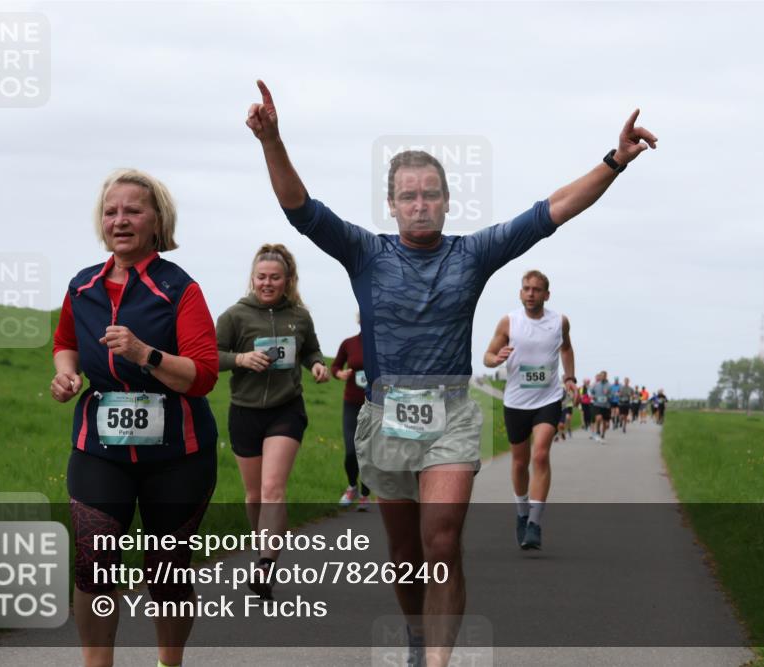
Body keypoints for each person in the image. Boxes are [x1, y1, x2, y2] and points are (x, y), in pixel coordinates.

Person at [245, 79, 656, 666]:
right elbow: (300, 209)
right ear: (392, 204)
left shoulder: (472, 253)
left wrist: (614, 161)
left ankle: (437, 660)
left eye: (431, 194)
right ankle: (417, 640)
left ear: (447, 202)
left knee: (440, 542)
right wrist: (272, 141)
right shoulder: (365, 253)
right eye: (408, 196)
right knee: (406, 556)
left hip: (451, 417)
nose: (420, 204)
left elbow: (553, 210)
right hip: (385, 417)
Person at [51, 168, 219, 667]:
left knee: (167, 570)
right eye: (111, 211)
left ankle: (169, 662)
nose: (119, 220)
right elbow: (64, 343)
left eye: (133, 211)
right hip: (100, 448)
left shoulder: (180, 289)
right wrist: (66, 375)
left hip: (178, 454)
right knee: (94, 560)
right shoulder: (82, 286)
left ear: (157, 221)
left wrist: (146, 354)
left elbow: (204, 375)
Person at [215, 243, 330, 599]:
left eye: (275, 278)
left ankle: (266, 564)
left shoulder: (299, 316)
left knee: (272, 489)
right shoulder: (234, 316)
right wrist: (241, 360)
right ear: (252, 278)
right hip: (244, 411)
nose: (267, 283)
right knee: (254, 495)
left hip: (286, 409)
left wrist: (317, 364)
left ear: (288, 280)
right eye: (261, 277)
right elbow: (210, 356)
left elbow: (311, 349)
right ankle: (261, 546)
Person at [483, 270, 575, 550]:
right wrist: (495, 359)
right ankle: (522, 513)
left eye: (536, 289)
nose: (531, 293)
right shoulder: (509, 322)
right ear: (520, 293)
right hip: (516, 402)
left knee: (541, 454)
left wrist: (569, 378)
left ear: (547, 294)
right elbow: (487, 356)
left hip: (548, 398)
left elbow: (566, 349)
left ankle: (534, 523)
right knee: (520, 462)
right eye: (526, 288)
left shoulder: (559, 322)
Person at [331, 321, 372, 511]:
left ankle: (365, 495)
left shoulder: (383, 344)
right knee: (351, 451)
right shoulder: (349, 343)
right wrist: (340, 374)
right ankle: (352, 487)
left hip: (375, 405)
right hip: (352, 404)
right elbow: (335, 366)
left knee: (369, 452)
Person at [589, 371, 612, 443]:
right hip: (597, 404)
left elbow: (612, 395)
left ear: (606, 376)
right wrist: (592, 396)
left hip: (606, 406)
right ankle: (597, 431)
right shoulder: (596, 384)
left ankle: (603, 434)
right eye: (601, 376)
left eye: (604, 376)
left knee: (605, 422)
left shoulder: (609, 385)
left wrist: (608, 395)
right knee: (598, 418)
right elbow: (590, 391)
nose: (602, 377)